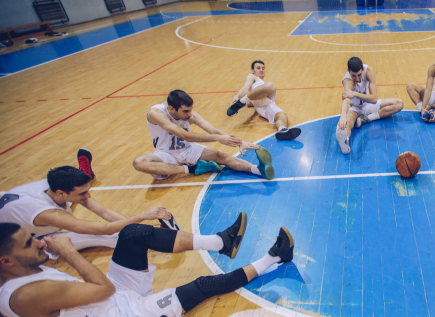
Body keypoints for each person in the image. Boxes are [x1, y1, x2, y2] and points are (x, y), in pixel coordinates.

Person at [0, 214, 295, 317]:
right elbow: (105, 291)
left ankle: (221, 243)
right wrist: (69, 253)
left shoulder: (12, 280)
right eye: (29, 244)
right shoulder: (29, 294)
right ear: (6, 262)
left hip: (109, 297)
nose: (39, 243)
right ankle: (275, 256)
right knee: (204, 285)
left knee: (132, 234)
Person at [0, 164, 176, 254]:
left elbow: (104, 212)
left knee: (117, 230)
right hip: (16, 246)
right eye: (83, 193)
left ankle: (144, 234)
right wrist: (143, 216)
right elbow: (104, 229)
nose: (88, 196)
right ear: (61, 193)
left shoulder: (54, 185)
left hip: (25, 224)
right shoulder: (47, 213)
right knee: (100, 236)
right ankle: (150, 240)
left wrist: (137, 226)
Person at [133, 90, 275, 180]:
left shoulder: (190, 115)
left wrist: (239, 142)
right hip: (165, 154)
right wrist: (219, 139)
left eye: (191, 110)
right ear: (171, 108)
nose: (190, 114)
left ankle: (258, 170)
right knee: (139, 163)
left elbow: (213, 130)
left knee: (222, 156)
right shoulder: (156, 114)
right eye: (185, 111)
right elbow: (185, 135)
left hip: (188, 150)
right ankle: (193, 169)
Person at [336, 57, 404, 154]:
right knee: (348, 121)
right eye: (353, 75)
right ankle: (344, 137)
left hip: (368, 105)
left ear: (362, 69)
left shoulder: (369, 71)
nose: (357, 78)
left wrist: (355, 94)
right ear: (348, 71)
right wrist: (343, 116)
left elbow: (374, 99)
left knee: (399, 103)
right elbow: (346, 101)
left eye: (359, 75)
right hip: (354, 108)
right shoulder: (348, 81)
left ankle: (366, 119)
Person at [226, 60, 301, 141]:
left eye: (263, 68)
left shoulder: (261, 83)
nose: (261, 70)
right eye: (258, 68)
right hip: (261, 101)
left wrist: (249, 103)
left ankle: (283, 130)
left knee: (283, 115)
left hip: (267, 105)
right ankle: (240, 103)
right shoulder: (252, 77)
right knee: (270, 86)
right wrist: (237, 96)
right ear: (253, 71)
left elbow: (253, 102)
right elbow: (245, 88)